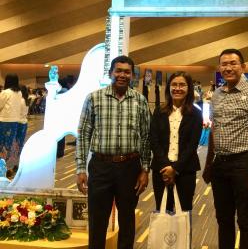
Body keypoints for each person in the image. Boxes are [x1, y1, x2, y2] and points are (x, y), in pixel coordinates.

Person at [76, 55, 151, 249]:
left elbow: (146, 137)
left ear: (132, 75)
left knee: (127, 220)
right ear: (110, 73)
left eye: (127, 72)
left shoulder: (140, 100)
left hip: (130, 167)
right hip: (100, 167)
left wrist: (145, 169)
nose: (122, 75)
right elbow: (83, 134)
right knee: (97, 220)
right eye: (118, 71)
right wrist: (81, 168)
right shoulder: (94, 98)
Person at [203, 48, 248, 249]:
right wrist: (209, 164)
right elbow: (214, 129)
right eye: (224, 64)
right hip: (220, 164)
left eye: (233, 63)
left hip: (244, 163)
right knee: (223, 218)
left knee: (246, 219)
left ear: (243, 67)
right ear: (219, 67)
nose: (228, 68)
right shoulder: (217, 94)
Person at [150, 71, 203, 217]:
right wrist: (166, 166)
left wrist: (175, 169)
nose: (177, 88)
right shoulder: (159, 111)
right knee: (162, 211)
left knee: (184, 213)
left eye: (182, 85)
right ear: (169, 88)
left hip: (186, 169)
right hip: (161, 169)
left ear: (188, 88)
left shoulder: (195, 113)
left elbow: (192, 145)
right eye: (174, 84)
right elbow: (154, 140)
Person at [0, 74, 26, 170]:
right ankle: (8, 165)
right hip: (14, 122)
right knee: (9, 143)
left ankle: (2, 166)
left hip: (4, 121)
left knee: (2, 144)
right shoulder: (19, 93)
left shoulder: (5, 92)